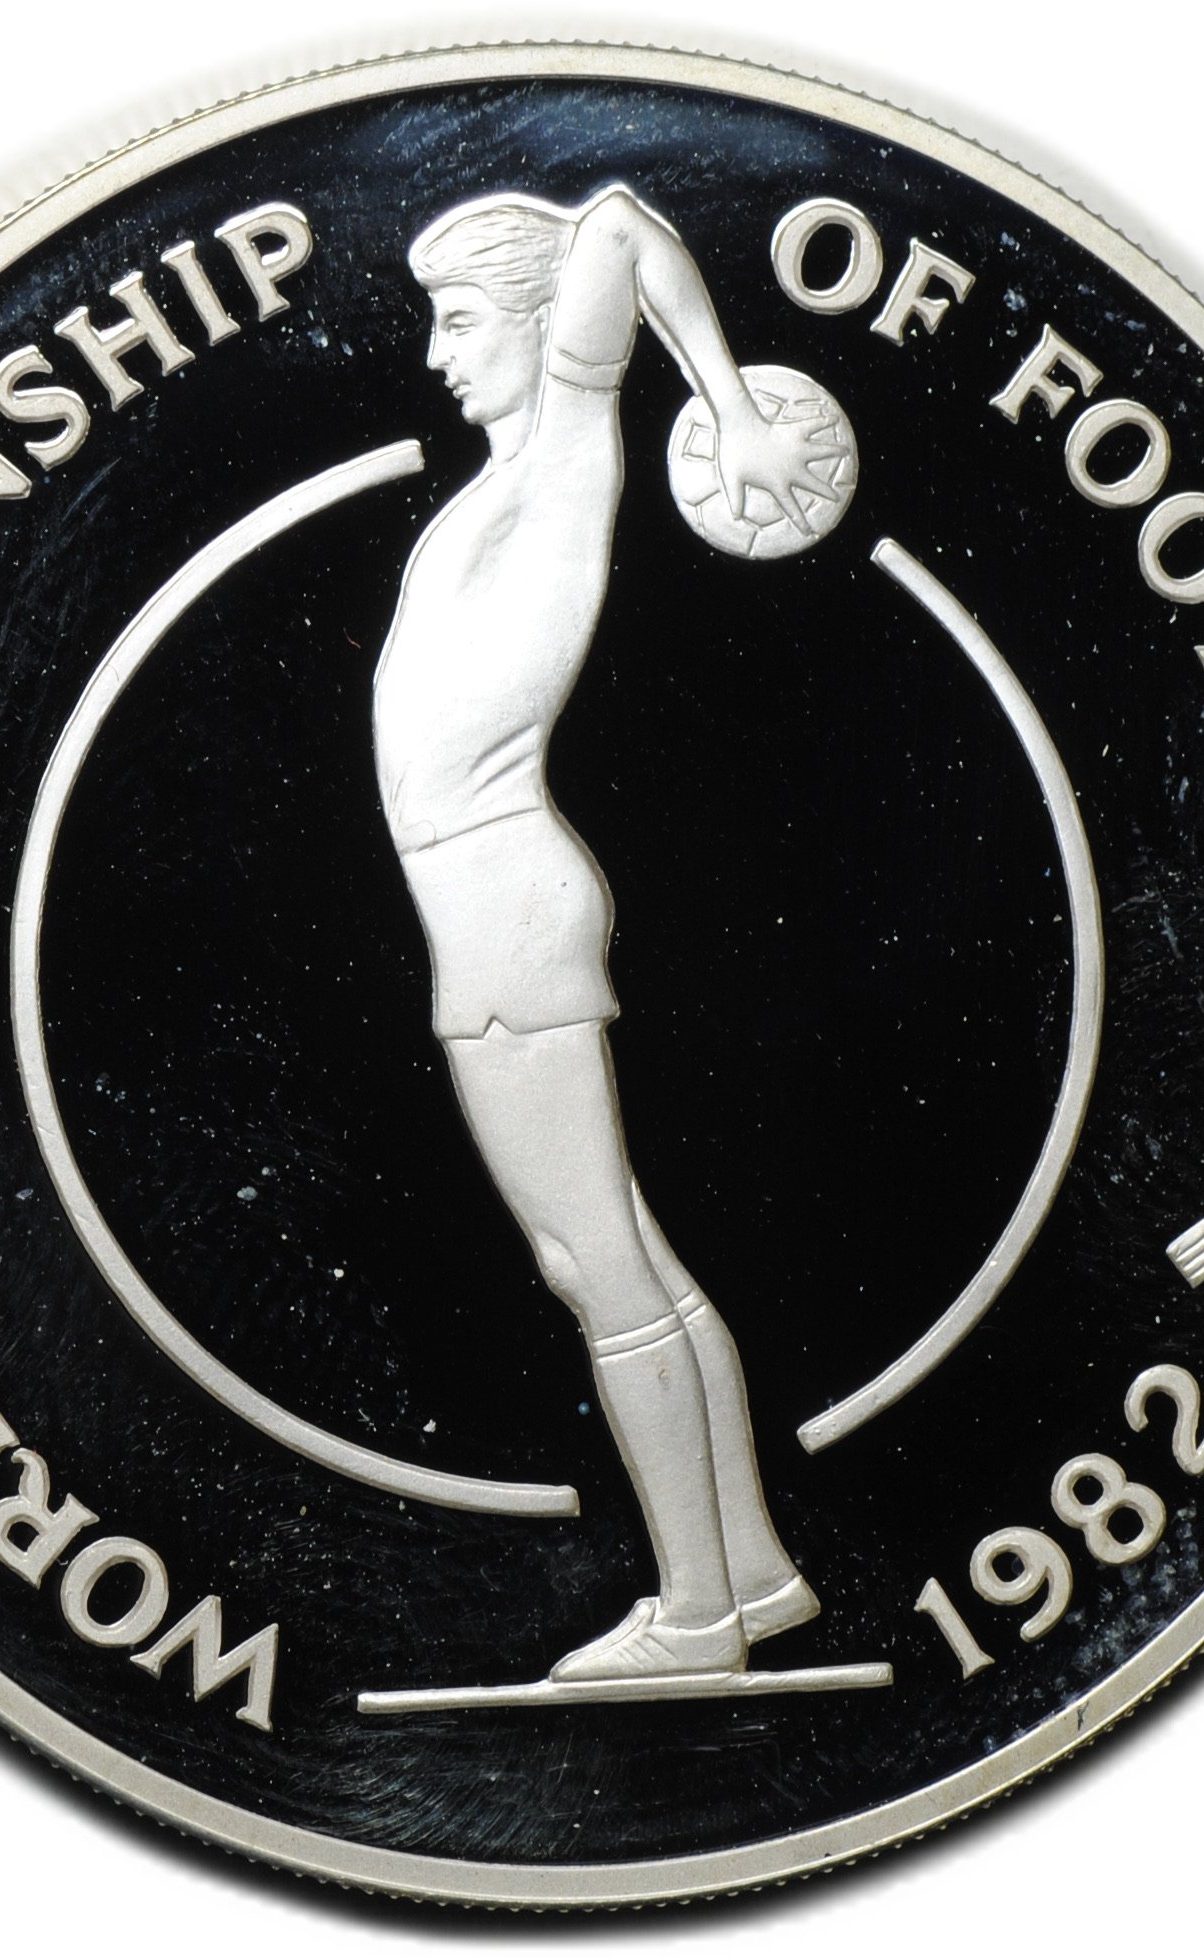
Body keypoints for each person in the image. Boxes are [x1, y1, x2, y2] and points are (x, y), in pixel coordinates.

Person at [373, 185, 833, 1681]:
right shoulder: (511, 477)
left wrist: (731, 406)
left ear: (533, 320)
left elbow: (622, 224)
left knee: (598, 1267)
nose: (437, 356)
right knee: (620, 1253)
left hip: (501, 905)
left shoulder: (570, 448)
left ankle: (692, 1615)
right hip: (495, 900)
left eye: (460, 321)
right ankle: (752, 1572)